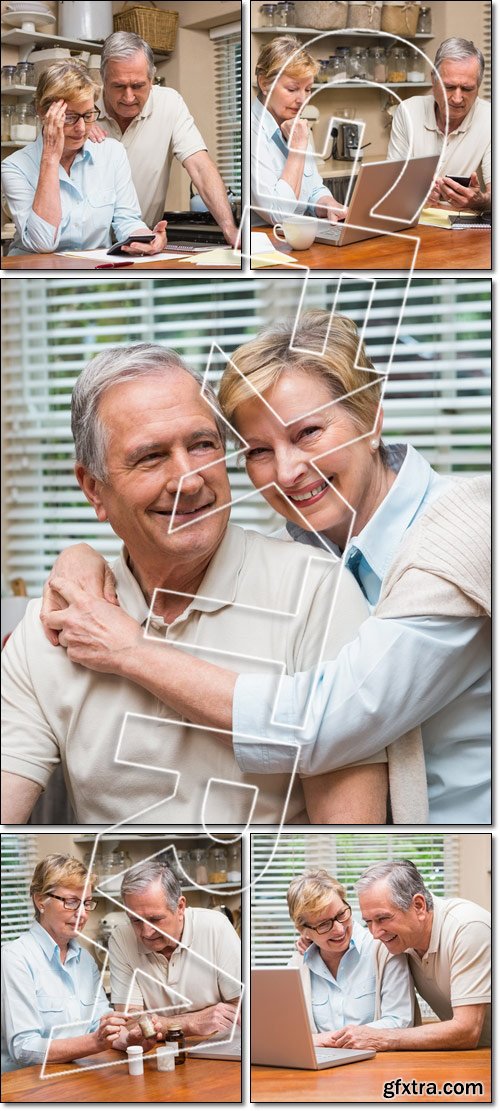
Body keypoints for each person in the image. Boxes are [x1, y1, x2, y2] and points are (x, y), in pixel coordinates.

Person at [40, 313, 491, 825]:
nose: (287, 471)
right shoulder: (302, 559)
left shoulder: (469, 526)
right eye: (257, 450)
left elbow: (324, 724)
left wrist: (132, 650)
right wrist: (80, 557)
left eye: (310, 433)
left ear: (371, 418)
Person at [1, 342, 389, 826]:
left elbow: (349, 831)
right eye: (150, 456)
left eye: (202, 444)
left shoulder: (316, 593)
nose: (188, 478)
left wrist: (131, 650)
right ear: (94, 490)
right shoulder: (59, 621)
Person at [1, 854, 159, 1072]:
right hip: (29, 1087)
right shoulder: (14, 958)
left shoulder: (84, 960)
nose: (82, 914)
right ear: (40, 901)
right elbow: (24, 1049)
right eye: (71, 902)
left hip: (80, 1077)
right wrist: (94, 1042)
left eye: (86, 903)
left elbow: (100, 1025)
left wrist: (132, 1040)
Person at [1, 62, 166, 257]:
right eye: (69, 117)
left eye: (88, 115)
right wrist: (50, 159)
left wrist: (145, 238)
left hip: (92, 275)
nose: (81, 128)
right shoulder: (14, 167)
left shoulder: (112, 153)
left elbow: (127, 220)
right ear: (42, 112)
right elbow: (42, 243)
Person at [88, 32, 237, 245]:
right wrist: (78, 122)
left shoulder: (170, 103)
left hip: (141, 242)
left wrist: (228, 227)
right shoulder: (83, 109)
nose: (129, 97)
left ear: (151, 77)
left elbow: (200, 168)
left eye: (138, 86)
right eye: (119, 86)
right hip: (86, 248)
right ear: (103, 78)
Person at [327, 859, 491, 1051]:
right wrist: (312, 942)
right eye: (368, 922)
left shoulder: (468, 928)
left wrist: (384, 1038)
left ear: (419, 906)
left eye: (382, 918)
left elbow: (467, 1031)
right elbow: (357, 943)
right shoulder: (402, 940)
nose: (375, 933)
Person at [108, 860, 241, 1037]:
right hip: (159, 1050)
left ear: (180, 907)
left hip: (219, 1045)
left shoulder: (216, 927)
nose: (146, 933)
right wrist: (190, 1023)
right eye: (136, 920)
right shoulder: (121, 938)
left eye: (155, 919)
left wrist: (158, 1023)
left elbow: (242, 1009)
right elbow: (130, 1023)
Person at [286, 869, 414, 1046]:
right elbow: (288, 1033)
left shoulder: (384, 950)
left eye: (341, 915)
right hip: (321, 1070)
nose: (339, 929)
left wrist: (324, 1040)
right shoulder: (297, 966)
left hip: (378, 1065)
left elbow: (400, 1023)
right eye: (324, 924)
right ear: (304, 931)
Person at [251, 36, 347, 225]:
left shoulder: (295, 125)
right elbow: (278, 214)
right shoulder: (251, 133)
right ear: (264, 84)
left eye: (308, 89)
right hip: (267, 244)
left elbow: (312, 190)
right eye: (292, 89)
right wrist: (298, 149)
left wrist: (327, 203)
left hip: (301, 237)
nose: (302, 100)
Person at [387, 38, 491, 212]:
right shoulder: (408, 110)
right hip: (414, 222)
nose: (457, 99)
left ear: (478, 86)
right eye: (449, 87)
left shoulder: (492, 118)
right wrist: (412, 194)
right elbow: (391, 183)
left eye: (467, 89)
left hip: (467, 227)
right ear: (433, 80)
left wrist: (480, 202)